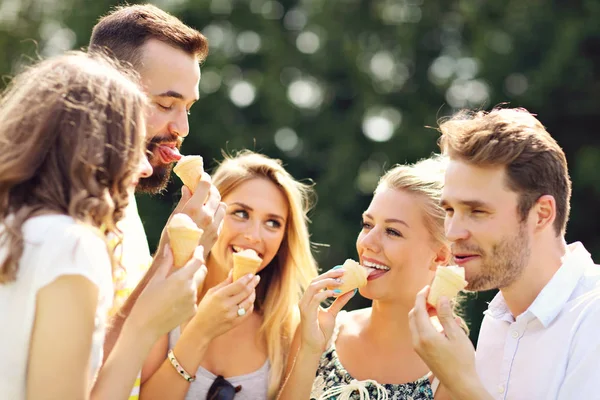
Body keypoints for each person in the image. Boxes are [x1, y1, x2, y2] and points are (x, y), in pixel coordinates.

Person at [0, 52, 206, 399]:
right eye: (129, 144)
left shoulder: (15, 228)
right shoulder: (72, 245)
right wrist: (144, 328)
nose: (144, 167)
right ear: (89, 148)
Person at [409, 108, 600, 399]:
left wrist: (462, 382)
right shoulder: (496, 322)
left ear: (542, 214)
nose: (452, 232)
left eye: (477, 211)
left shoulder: (593, 316)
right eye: (449, 210)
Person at [88, 4, 226, 377]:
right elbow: (82, 375)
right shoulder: (60, 208)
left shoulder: (125, 200)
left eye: (187, 108)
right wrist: (167, 257)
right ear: (106, 91)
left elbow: (134, 371)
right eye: (166, 104)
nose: (181, 126)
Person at [139, 151, 319, 400]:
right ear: (212, 214)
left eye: (273, 223)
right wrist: (200, 332)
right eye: (241, 213)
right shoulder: (164, 294)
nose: (255, 236)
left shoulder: (289, 329)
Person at [279, 156, 459, 400]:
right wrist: (310, 351)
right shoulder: (319, 333)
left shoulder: (452, 366)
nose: (366, 243)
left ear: (439, 256)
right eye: (367, 224)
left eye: (392, 231)